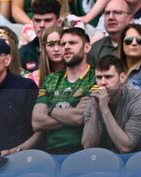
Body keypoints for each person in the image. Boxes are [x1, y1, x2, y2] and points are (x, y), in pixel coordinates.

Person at [32, 26, 97, 154]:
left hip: (84, 153)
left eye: (72, 43)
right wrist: (71, 113)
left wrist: (50, 110)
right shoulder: (51, 79)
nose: (66, 47)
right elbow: (36, 122)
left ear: (87, 47)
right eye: (63, 44)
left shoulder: (97, 77)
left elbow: (80, 117)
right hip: (51, 154)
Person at [82, 55, 141, 152]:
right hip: (112, 159)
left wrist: (104, 109)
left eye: (108, 77)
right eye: (99, 77)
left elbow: (126, 147)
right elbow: (88, 147)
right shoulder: (94, 101)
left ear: (122, 77)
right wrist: (95, 110)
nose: (103, 82)